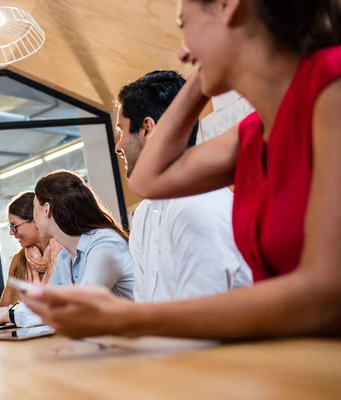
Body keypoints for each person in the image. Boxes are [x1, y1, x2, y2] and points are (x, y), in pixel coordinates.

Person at [22, 0, 341, 339]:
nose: (183, 53)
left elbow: (325, 294)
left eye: (184, 25)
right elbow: (148, 180)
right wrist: (207, 66)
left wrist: (126, 319)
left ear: (227, 7)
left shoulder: (330, 88)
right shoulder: (251, 132)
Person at [116, 70, 252, 302]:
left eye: (122, 131)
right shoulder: (143, 214)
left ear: (147, 129)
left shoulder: (197, 206)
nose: (118, 146)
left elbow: (207, 320)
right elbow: (145, 303)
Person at [0, 171, 135, 327]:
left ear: (46, 209)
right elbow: (47, 305)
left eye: (35, 207)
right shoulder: (64, 257)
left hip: (139, 344)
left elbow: (82, 306)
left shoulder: (104, 244)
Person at [0, 192, 63, 313]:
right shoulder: (19, 260)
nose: (11, 233)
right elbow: (5, 307)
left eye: (14, 226)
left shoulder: (64, 252)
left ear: (35, 220)